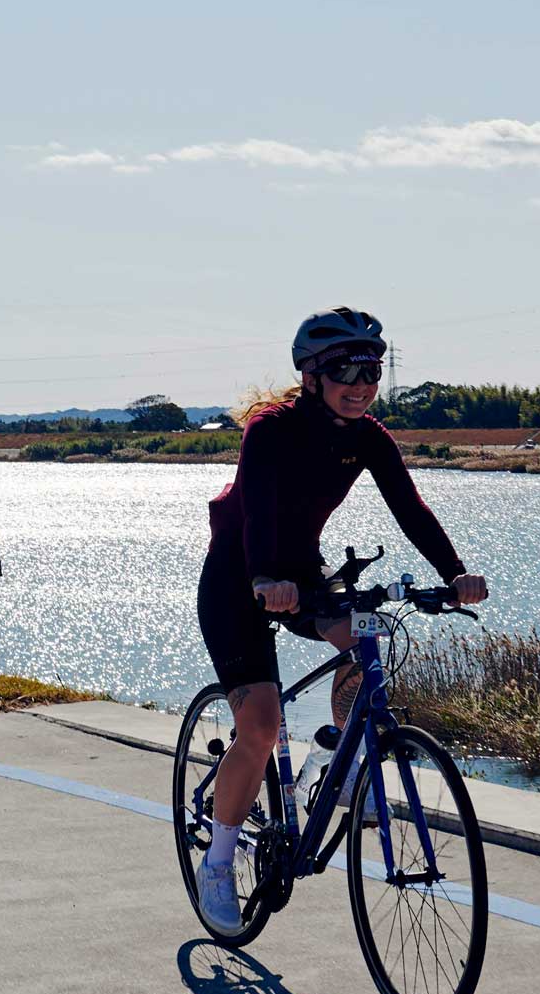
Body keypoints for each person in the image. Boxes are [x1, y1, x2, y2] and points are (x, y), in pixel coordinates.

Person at [193, 307, 489, 933]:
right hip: (238, 578)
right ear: (311, 375)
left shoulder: (369, 437)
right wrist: (265, 579)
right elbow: (260, 518)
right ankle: (218, 862)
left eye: (372, 372)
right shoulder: (270, 430)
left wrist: (454, 573)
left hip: (298, 573)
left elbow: (410, 507)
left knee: (364, 640)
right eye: (345, 371)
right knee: (262, 726)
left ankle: (346, 763)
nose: (360, 384)